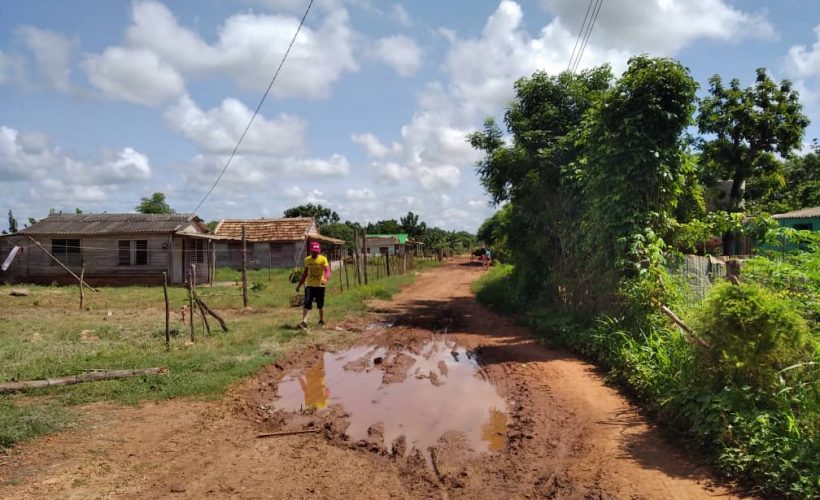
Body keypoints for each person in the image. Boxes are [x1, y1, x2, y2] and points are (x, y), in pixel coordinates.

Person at [296, 241, 331, 330]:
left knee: (320, 304)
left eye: (316, 252)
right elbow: (305, 273)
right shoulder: (307, 260)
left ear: (319, 251)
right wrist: (300, 284)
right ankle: (304, 322)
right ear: (310, 251)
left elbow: (327, 270)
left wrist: (326, 278)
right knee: (307, 303)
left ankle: (321, 320)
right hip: (310, 285)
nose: (315, 253)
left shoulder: (323, 259)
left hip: (320, 285)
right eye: (313, 252)